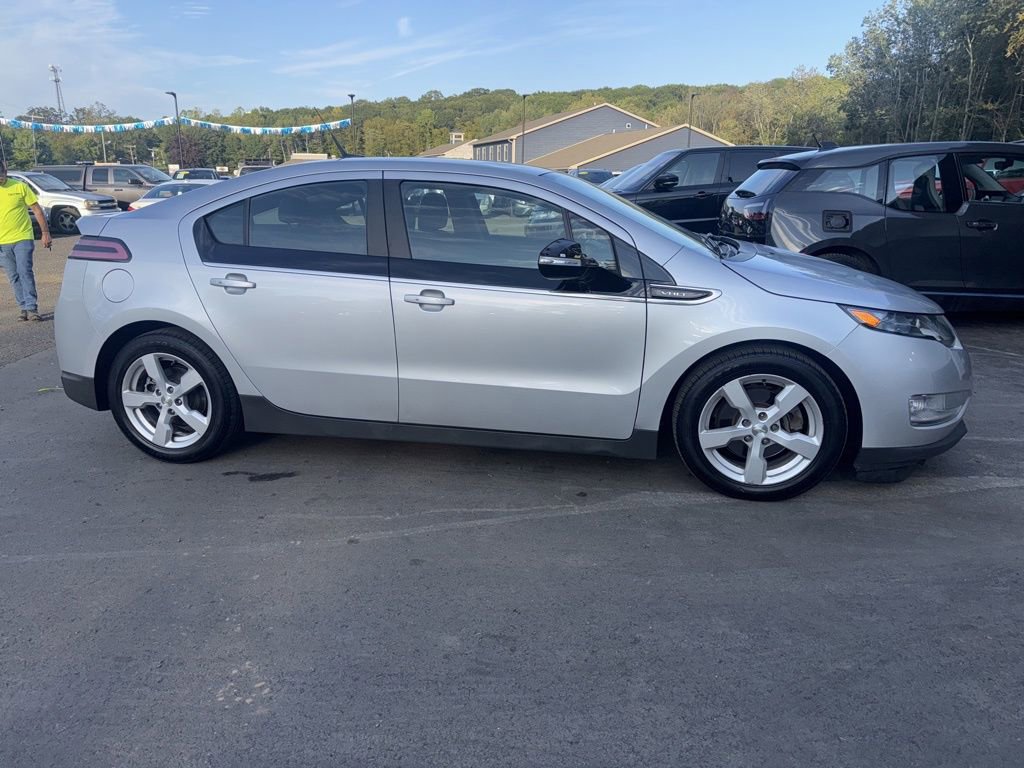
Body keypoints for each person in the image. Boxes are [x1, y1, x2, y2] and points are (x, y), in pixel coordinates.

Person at [0, 160, 51, 321]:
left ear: (5, 172)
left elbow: (37, 209)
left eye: (1, 175)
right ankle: (22, 307)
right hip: (2, 242)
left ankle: (31, 307)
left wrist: (45, 232)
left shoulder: (19, 186)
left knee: (24, 272)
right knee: (13, 275)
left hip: (23, 237)